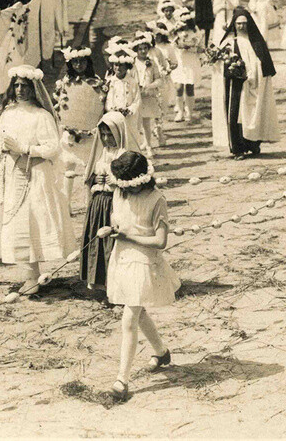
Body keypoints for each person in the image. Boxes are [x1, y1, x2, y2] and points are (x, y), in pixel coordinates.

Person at [0, 66, 76, 295]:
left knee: (33, 220)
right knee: (15, 221)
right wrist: (2, 145)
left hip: (36, 173)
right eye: (17, 85)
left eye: (25, 86)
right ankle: (29, 273)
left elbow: (52, 147)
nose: (20, 90)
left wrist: (25, 148)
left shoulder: (41, 116)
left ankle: (33, 275)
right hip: (11, 171)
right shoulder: (7, 113)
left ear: (34, 89)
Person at [105, 151, 178, 401]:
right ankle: (161, 351)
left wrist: (128, 236)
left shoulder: (157, 199)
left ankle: (121, 380)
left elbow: (160, 241)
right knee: (136, 310)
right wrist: (113, 230)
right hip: (122, 256)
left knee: (129, 319)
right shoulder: (119, 192)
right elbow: (120, 219)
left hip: (143, 261)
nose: (124, 191)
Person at [81, 112, 140, 295]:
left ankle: (121, 287)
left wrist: (118, 183)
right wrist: (94, 179)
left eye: (111, 134)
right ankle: (103, 284)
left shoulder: (127, 154)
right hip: (99, 205)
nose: (107, 139)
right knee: (99, 244)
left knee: (115, 245)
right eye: (103, 134)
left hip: (118, 204)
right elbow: (88, 178)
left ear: (120, 132)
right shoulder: (101, 153)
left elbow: (138, 181)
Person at [211, 7, 280, 159]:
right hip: (236, 85)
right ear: (233, 25)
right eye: (238, 24)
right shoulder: (229, 41)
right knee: (236, 115)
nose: (241, 26)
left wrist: (256, 73)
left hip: (254, 83)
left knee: (254, 114)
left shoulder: (255, 41)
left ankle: (253, 144)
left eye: (244, 23)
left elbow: (263, 62)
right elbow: (219, 63)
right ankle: (238, 148)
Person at [54, 47, 105, 211]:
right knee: (68, 167)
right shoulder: (65, 82)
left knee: (89, 169)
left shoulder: (96, 82)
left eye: (82, 61)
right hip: (70, 132)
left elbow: (100, 105)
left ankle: (89, 202)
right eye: (75, 62)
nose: (78, 65)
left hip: (89, 132)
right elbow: (62, 106)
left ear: (87, 62)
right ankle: (65, 203)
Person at [131, 33, 164, 158]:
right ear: (136, 50)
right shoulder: (132, 64)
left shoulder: (151, 63)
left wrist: (149, 86)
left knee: (146, 123)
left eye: (145, 48)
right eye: (140, 49)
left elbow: (159, 80)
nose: (143, 51)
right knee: (135, 123)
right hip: (135, 97)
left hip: (147, 96)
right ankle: (137, 146)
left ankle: (149, 146)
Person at [169, 13, 202, 123]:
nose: (185, 27)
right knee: (179, 87)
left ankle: (189, 112)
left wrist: (191, 46)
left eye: (187, 24)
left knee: (189, 87)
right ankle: (180, 111)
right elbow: (173, 45)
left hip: (190, 62)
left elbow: (198, 47)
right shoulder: (176, 34)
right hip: (180, 61)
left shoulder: (195, 34)